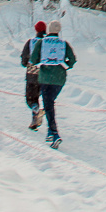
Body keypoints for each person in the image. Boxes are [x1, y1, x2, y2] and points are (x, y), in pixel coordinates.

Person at [30, 20, 76, 149]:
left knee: (48, 104)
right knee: (49, 103)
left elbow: (33, 59)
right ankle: (51, 132)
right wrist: (65, 66)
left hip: (45, 77)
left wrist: (42, 63)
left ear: (48, 30)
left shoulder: (41, 42)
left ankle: (54, 133)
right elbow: (72, 60)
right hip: (60, 78)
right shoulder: (64, 44)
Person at [21, 21, 47, 130]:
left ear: (36, 30)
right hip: (45, 75)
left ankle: (35, 111)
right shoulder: (47, 42)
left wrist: (26, 63)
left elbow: (24, 60)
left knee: (31, 99)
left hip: (32, 74)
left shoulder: (31, 42)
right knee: (40, 96)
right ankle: (35, 120)